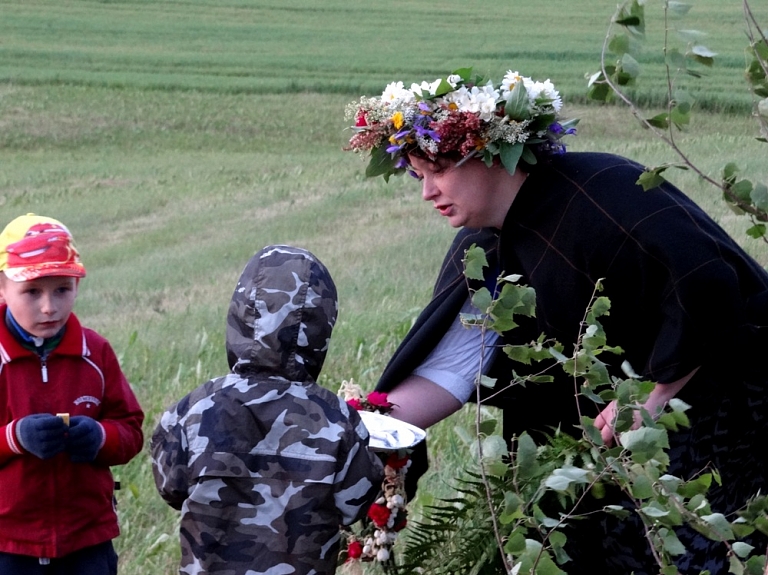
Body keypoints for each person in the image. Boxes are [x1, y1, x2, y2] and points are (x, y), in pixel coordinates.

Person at [345, 68, 768, 574]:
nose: (427, 192)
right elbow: (455, 365)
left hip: (715, 407)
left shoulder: (604, 194)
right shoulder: (483, 246)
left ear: (490, 152)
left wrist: (654, 396)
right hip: (601, 439)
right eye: (418, 174)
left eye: (439, 169)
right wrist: (356, 429)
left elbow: (709, 287)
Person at [150, 245, 384, 575]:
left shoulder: (194, 409)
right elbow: (356, 502)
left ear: (239, 316)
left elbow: (170, 487)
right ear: (321, 327)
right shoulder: (336, 418)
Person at [0, 213, 145, 575]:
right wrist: (14, 438)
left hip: (86, 540)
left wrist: (100, 436)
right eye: (32, 292)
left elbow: (130, 430)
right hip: (8, 543)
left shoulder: (94, 352)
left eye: (62, 289)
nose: (49, 307)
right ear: (2, 289)